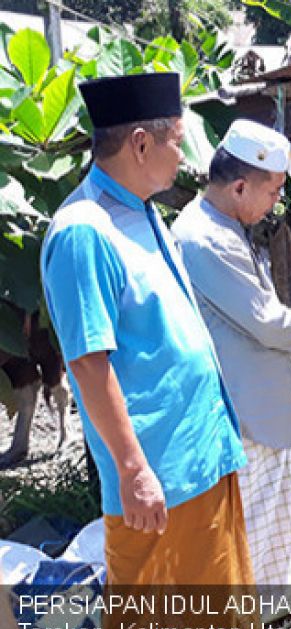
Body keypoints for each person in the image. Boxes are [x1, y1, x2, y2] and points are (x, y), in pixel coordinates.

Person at [40, 73, 254, 595]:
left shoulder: (142, 212)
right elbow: (90, 363)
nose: (183, 156)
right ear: (141, 143)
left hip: (202, 460)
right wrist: (134, 472)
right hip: (159, 480)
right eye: (177, 141)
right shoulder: (84, 231)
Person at [171, 119, 291, 597]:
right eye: (274, 190)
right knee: (255, 520)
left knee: (275, 516)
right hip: (246, 412)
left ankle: (281, 601)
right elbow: (268, 322)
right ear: (238, 186)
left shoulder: (224, 226)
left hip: (262, 406)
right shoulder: (204, 239)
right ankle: (260, 607)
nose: (278, 201)